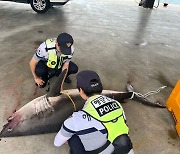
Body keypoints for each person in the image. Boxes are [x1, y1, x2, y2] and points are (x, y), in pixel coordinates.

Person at [54, 70, 134, 154]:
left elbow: (57, 143)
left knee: (73, 137)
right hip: (125, 149)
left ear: (80, 90)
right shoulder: (117, 104)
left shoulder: (77, 118)